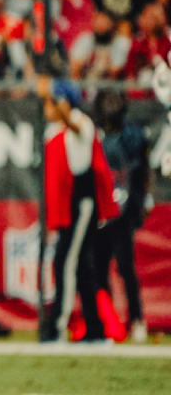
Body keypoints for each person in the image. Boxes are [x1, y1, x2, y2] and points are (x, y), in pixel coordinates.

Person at [38, 78, 119, 343]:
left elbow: (74, 126)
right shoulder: (53, 131)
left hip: (82, 203)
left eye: (51, 102)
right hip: (68, 205)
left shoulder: (80, 122)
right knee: (83, 267)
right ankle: (95, 328)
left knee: (65, 262)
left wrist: (57, 98)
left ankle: (57, 327)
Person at [93, 89, 152, 343]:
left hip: (124, 210)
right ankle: (108, 319)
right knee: (99, 268)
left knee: (126, 267)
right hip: (99, 210)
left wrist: (146, 196)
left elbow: (143, 169)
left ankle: (137, 318)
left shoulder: (134, 137)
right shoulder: (93, 135)